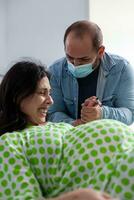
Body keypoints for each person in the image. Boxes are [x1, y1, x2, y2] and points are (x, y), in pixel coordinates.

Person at [0, 60, 133, 200]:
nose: (51, 101)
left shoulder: (56, 125)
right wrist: (76, 197)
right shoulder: (8, 143)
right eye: (42, 93)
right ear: (17, 96)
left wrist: (88, 113)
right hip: (121, 173)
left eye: (49, 93)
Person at [47, 20, 134, 126]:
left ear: (100, 52)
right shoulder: (55, 71)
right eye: (70, 57)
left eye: (84, 59)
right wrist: (74, 123)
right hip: (70, 135)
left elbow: (129, 114)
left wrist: (102, 113)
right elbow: (52, 113)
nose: (75, 64)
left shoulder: (122, 69)